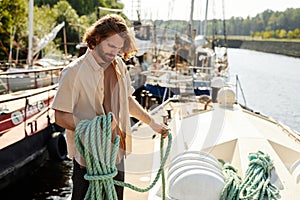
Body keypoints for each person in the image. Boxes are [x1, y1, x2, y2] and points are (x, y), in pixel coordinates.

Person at [51, 14, 169, 200]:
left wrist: (152, 123)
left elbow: (127, 101)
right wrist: (95, 127)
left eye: (119, 48)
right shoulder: (73, 72)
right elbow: (60, 116)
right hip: (88, 161)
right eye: (111, 46)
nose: (115, 53)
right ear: (96, 38)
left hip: (116, 155)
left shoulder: (119, 65)